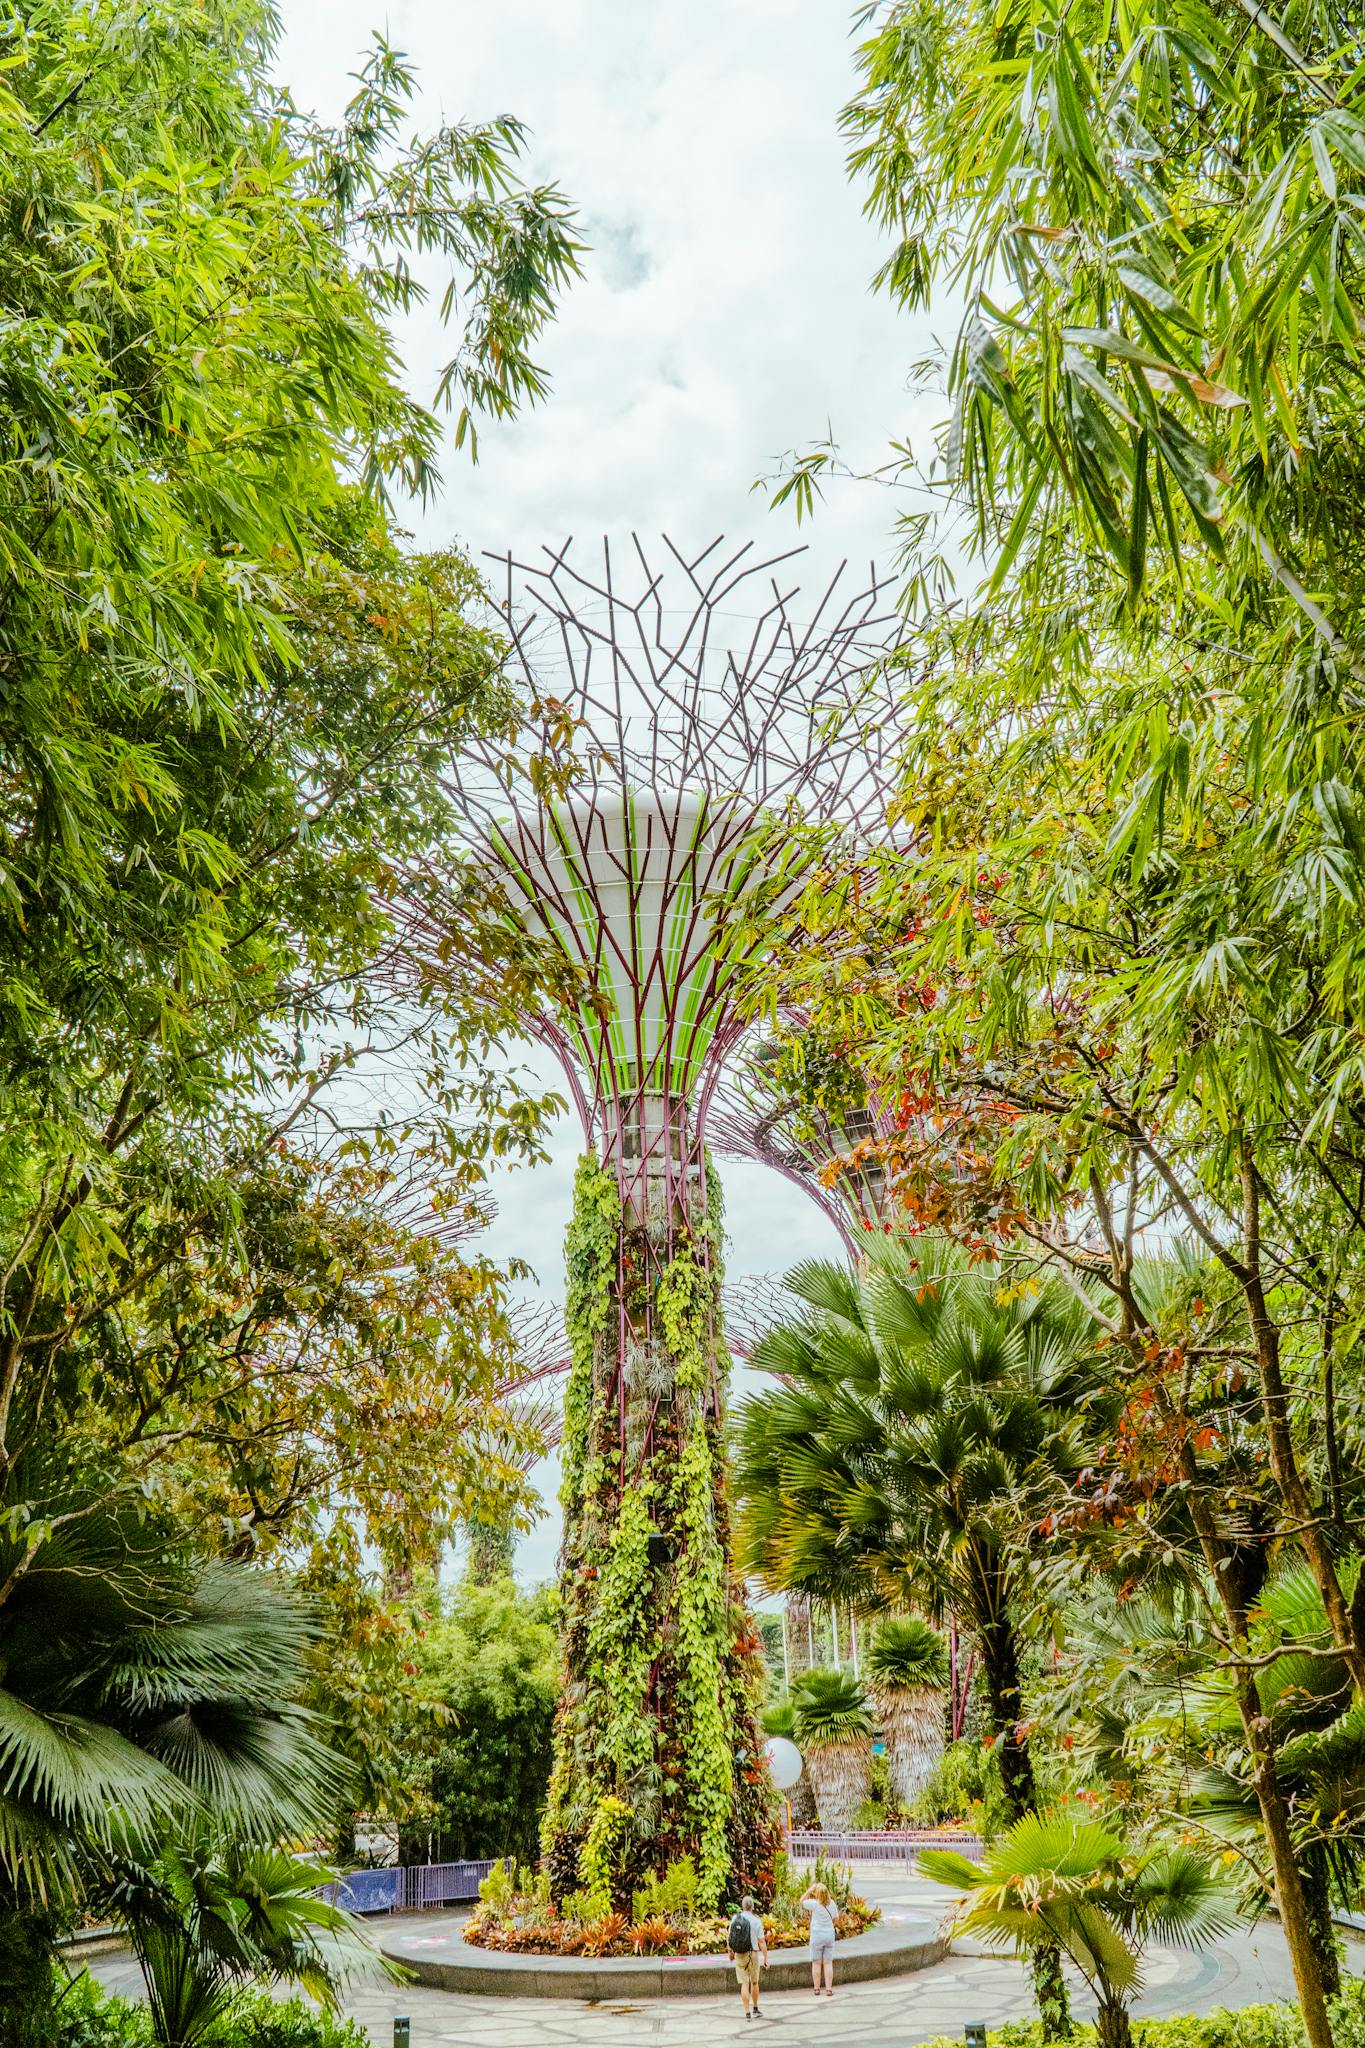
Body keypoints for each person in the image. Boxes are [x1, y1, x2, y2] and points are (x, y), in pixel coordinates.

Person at [726, 1891, 768, 2019]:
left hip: (740, 1954)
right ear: (752, 1907)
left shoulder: (735, 1919)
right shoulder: (756, 1921)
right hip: (753, 1954)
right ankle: (755, 2008)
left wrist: (730, 1953)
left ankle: (747, 2012)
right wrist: (765, 1958)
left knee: (744, 1983)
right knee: (754, 1982)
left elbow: (729, 1938)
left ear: (743, 1906)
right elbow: (762, 1942)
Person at [801, 1879, 837, 1997]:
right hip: (829, 1935)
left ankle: (817, 1989)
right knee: (828, 1963)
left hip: (817, 1935)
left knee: (816, 1963)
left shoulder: (814, 1904)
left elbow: (801, 1901)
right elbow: (836, 1919)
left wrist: (809, 1890)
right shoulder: (832, 1904)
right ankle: (829, 1989)